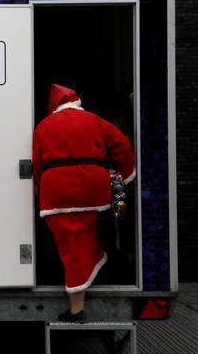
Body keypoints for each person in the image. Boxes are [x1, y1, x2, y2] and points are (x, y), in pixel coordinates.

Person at [33, 84, 135, 322]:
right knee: (90, 234)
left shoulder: (44, 126)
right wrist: (125, 174)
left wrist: (42, 187)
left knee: (70, 246)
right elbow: (123, 146)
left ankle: (77, 307)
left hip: (57, 191)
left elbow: (37, 163)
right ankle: (103, 262)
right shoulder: (95, 121)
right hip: (95, 188)